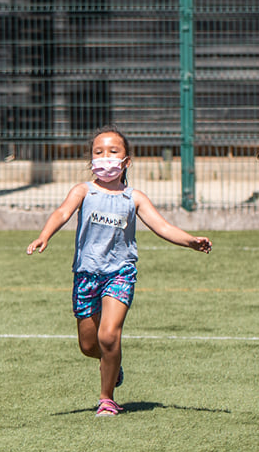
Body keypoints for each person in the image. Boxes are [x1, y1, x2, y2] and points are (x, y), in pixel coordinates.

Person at [26, 128, 213, 415]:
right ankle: (113, 364)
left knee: (109, 336)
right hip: (86, 275)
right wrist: (44, 235)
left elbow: (161, 226)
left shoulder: (134, 197)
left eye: (113, 152)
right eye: (98, 152)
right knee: (89, 346)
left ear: (126, 161)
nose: (105, 158)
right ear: (91, 160)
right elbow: (62, 213)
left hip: (119, 274)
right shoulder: (83, 191)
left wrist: (190, 241)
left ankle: (107, 398)